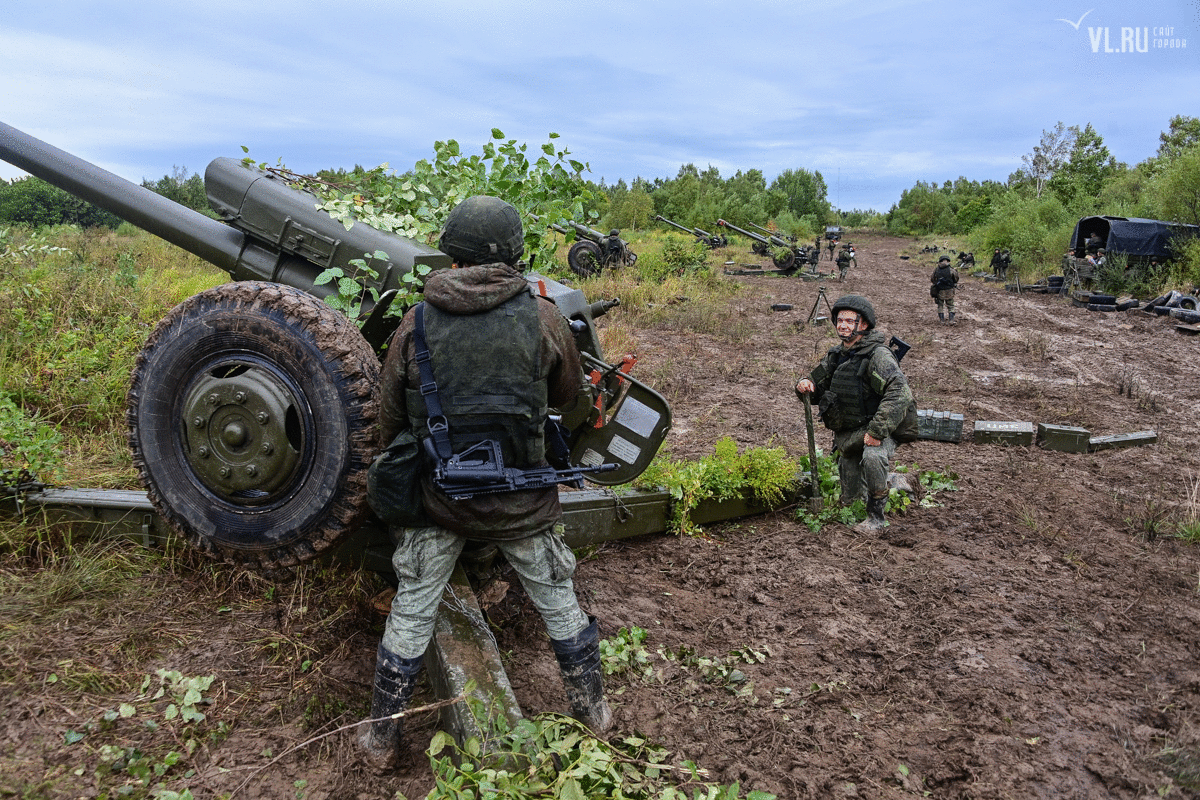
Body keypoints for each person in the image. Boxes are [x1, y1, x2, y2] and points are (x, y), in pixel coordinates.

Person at [360, 195, 612, 772]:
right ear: (513, 251)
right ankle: (593, 712)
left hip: (440, 501)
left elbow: (390, 418)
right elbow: (567, 397)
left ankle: (379, 739)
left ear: (452, 251)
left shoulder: (416, 322)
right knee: (559, 602)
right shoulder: (544, 317)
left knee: (412, 610)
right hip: (523, 501)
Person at [794, 295, 914, 533]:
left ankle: (876, 517)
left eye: (850, 321)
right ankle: (878, 492)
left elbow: (900, 393)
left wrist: (877, 431)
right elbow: (816, 381)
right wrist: (805, 384)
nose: (843, 325)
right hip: (851, 431)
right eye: (840, 320)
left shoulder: (878, 355)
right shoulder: (837, 355)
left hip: (880, 428)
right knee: (849, 492)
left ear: (864, 324)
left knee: (872, 456)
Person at [930, 254, 959, 324]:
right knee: (951, 305)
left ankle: (942, 320)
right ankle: (951, 320)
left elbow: (932, 279)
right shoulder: (951, 270)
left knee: (940, 306)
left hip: (940, 291)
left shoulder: (936, 269)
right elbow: (956, 279)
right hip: (949, 290)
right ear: (948, 261)